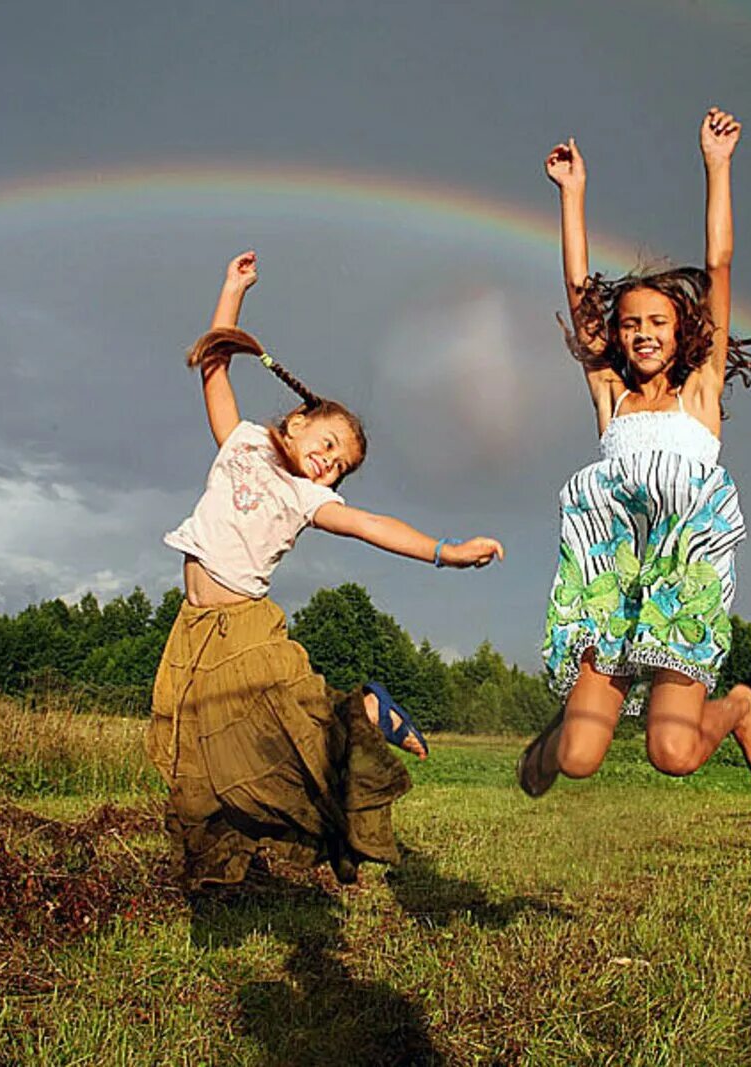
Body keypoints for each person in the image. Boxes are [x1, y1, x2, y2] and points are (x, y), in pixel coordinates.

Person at [149, 250, 504, 887]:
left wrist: (446, 550)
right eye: (329, 445)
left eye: (341, 465)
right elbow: (214, 364)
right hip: (194, 632)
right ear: (298, 419)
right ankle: (214, 870)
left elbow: (372, 525)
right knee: (207, 752)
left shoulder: (309, 496)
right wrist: (233, 289)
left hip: (246, 631)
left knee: (298, 734)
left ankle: (369, 711)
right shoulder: (243, 442)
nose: (329, 464)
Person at [518, 108, 751, 798]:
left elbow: (720, 265)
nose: (642, 333)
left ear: (683, 331)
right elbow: (582, 299)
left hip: (682, 571)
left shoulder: (698, 393)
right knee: (581, 757)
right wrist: (572, 193)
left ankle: (737, 707)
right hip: (610, 575)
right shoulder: (610, 393)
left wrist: (717, 165)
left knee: (672, 751)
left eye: (657, 323)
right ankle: (554, 740)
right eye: (632, 323)